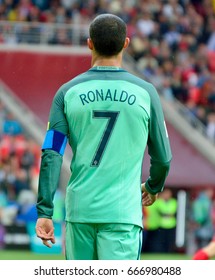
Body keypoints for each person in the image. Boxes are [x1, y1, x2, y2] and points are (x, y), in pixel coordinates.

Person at [35, 13, 172, 260]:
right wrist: (153, 186)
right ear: (126, 44)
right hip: (122, 215)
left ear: (90, 43)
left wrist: (45, 210)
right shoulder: (146, 93)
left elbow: (52, 153)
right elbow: (162, 159)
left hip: (80, 214)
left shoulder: (67, 93)